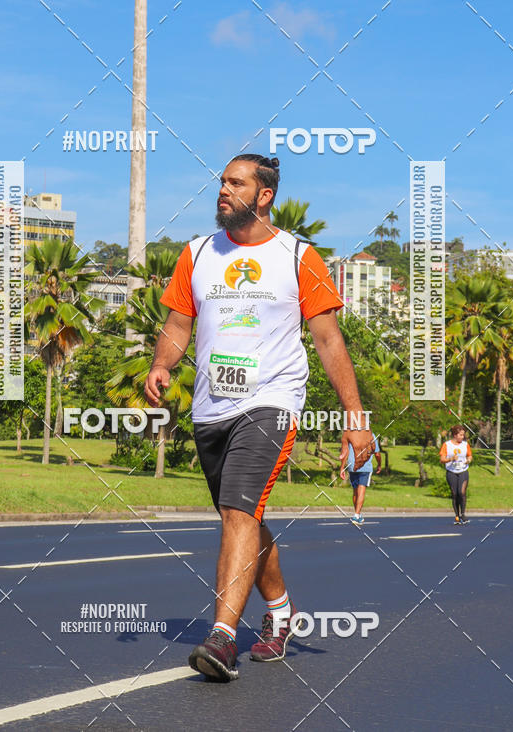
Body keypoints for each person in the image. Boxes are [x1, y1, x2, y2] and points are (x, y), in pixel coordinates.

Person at [144, 154, 375, 682]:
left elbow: (326, 338)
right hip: (210, 406)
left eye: (235, 182)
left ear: (264, 195)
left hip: (272, 401)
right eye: (221, 182)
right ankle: (282, 611)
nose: (223, 189)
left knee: (239, 509)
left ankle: (222, 637)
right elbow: (179, 323)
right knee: (241, 515)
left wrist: (355, 416)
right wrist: (161, 363)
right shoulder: (198, 252)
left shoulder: (298, 256)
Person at [339, 431, 381, 525]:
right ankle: (356, 515)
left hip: (352, 466)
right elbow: (377, 453)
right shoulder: (371, 435)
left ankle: (357, 514)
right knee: (361, 489)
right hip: (364, 466)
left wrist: (342, 468)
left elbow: (345, 452)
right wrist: (379, 465)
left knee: (355, 491)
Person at [439, 424, 472, 524]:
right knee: (455, 494)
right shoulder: (447, 445)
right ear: (455, 435)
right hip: (451, 472)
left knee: (462, 492)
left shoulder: (465, 444)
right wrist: (451, 459)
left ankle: (463, 514)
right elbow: (442, 459)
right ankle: (457, 516)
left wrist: (468, 460)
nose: (463, 437)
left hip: (463, 471)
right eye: (461, 435)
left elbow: (470, 456)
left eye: (463, 435)